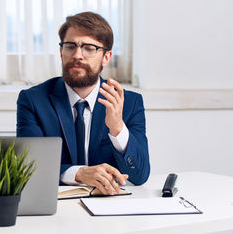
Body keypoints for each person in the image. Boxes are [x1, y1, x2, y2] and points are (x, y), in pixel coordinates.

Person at [17, 12, 150, 195]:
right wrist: (79, 173)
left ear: (106, 57)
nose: (77, 55)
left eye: (89, 48)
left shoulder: (129, 103)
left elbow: (140, 174)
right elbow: (28, 167)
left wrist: (117, 128)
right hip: (56, 208)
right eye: (70, 46)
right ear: (61, 52)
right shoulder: (33, 100)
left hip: (111, 209)